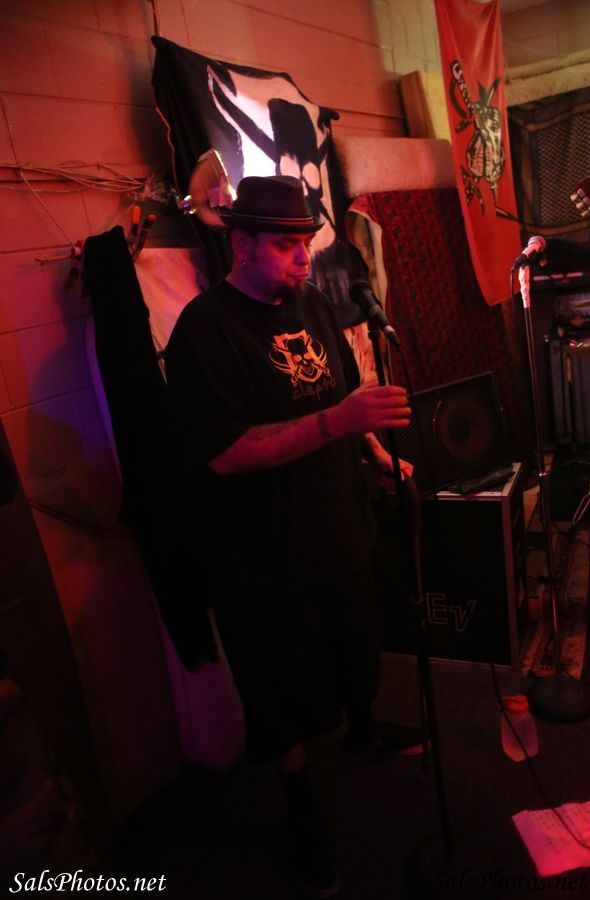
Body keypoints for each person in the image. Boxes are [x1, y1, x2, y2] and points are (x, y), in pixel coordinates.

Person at [165, 175, 421, 898]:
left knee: (357, 646)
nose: (304, 257)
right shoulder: (204, 332)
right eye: (285, 245)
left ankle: (365, 733)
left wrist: (378, 456)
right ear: (242, 245)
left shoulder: (309, 303)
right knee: (281, 693)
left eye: (305, 241)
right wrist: (338, 423)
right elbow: (226, 452)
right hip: (264, 556)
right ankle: (302, 807)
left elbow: (340, 396)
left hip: (338, 525)